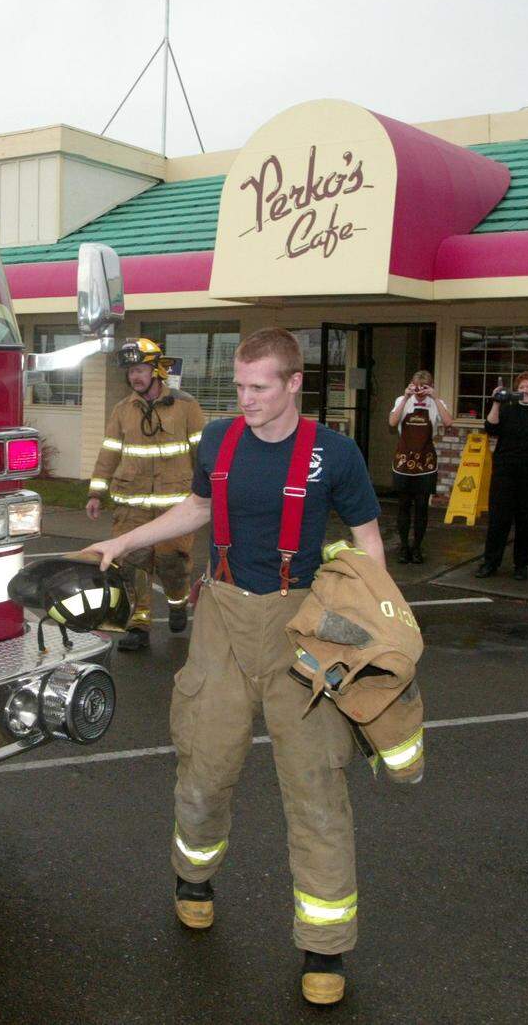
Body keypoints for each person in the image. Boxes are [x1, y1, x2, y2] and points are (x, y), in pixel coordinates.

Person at [84, 328, 384, 1006]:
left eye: (258, 387)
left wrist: (372, 636)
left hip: (300, 625)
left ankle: (324, 946)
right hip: (220, 616)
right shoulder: (218, 440)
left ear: (293, 384)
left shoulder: (334, 454)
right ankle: (192, 876)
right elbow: (195, 508)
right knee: (204, 769)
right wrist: (124, 541)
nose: (244, 399)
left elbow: (368, 547)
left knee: (316, 788)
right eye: (239, 387)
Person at [85, 337, 205, 652]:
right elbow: (109, 451)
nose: (134, 377)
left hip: (174, 508)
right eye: (130, 372)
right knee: (132, 564)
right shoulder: (122, 410)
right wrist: (97, 491)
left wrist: (209, 493)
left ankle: (177, 603)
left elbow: (203, 452)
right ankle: (138, 624)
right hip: (131, 504)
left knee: (172, 563)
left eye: (140, 369)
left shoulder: (186, 406)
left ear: (156, 371)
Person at [476, 371, 528, 581]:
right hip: (505, 473)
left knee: (527, 521)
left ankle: (521, 565)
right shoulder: (508, 410)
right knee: (498, 521)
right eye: (521, 388)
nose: (524, 392)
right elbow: (490, 428)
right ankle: (490, 563)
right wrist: (496, 402)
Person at [387, 369, 452, 564]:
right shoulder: (402, 400)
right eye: (417, 387)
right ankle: (404, 547)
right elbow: (392, 422)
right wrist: (407, 398)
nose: (420, 391)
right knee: (404, 505)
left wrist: (436, 397)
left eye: (424, 387)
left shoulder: (435, 403)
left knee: (422, 506)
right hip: (404, 460)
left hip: (426, 460)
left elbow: (448, 422)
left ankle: (417, 548)